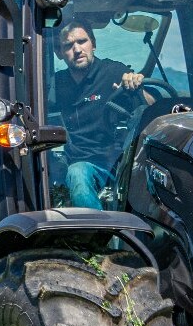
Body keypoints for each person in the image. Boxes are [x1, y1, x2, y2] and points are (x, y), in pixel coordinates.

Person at [48, 21, 145, 210]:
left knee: (77, 173)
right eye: (68, 45)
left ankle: (97, 237)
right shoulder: (55, 86)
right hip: (70, 162)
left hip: (114, 164)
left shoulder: (114, 72)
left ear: (93, 44)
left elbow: (148, 106)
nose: (77, 49)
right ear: (59, 53)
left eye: (82, 41)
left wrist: (136, 85)